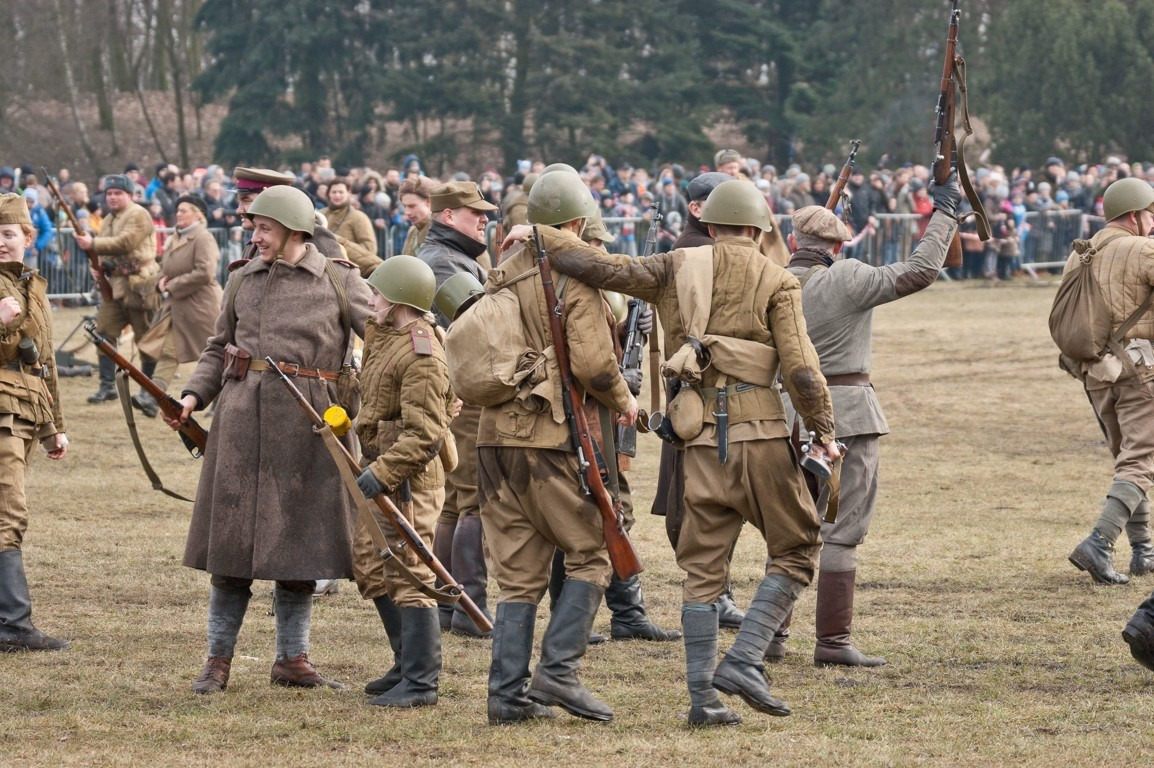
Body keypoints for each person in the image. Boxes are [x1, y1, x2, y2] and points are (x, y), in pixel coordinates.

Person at [522, 178, 839, 727]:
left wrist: (539, 231)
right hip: (759, 434)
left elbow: (603, 269)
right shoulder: (778, 279)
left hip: (695, 443)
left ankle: (703, 700)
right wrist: (823, 429)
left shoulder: (673, 266)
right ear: (760, 230)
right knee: (796, 547)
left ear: (710, 225)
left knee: (702, 573)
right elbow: (803, 371)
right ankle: (742, 661)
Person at [164, 185, 371, 694]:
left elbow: (386, 332)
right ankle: (217, 661)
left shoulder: (341, 281)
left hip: (311, 426)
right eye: (253, 228)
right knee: (230, 552)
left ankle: (292, 660)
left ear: (295, 232)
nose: (255, 237)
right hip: (240, 426)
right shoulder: (241, 280)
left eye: (265, 229)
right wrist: (193, 396)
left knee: (301, 548)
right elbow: (218, 348)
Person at [776, 177, 959, 669]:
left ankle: (771, 635)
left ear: (794, 241)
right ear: (837, 245)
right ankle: (833, 643)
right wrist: (945, 214)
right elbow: (921, 271)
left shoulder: (769, 278)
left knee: (790, 530)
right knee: (841, 530)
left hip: (783, 418)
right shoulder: (848, 275)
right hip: (846, 419)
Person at [479, 170, 637, 725]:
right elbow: (593, 364)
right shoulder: (575, 280)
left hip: (494, 439)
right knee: (592, 553)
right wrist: (624, 400)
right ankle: (560, 672)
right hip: (551, 439)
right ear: (575, 225)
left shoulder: (500, 274)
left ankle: (506, 697)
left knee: (519, 572)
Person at [352, 256, 455, 708]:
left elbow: (425, 433)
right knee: (372, 567)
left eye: (377, 293)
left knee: (411, 572)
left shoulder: (421, 353)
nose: (370, 300)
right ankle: (403, 663)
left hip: (410, 478)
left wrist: (384, 472)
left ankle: (421, 681)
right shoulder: (384, 336)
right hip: (380, 469)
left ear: (397, 300)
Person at [648, 171, 746, 630]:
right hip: (707, 391)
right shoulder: (699, 254)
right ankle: (713, 592)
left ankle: (714, 590)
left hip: (693, 390)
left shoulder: (696, 250)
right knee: (705, 493)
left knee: (696, 490)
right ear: (698, 209)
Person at [416, 181, 498, 636]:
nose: (484, 219)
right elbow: (479, 328)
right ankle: (469, 607)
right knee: (472, 500)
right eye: (475, 213)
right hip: (464, 391)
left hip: (455, 390)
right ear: (449, 217)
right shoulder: (447, 262)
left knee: (454, 502)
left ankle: (450, 606)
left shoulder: (451, 257)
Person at [1066, 177, 1154, 586]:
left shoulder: (1082, 252)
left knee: (1127, 461)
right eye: (1150, 213)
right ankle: (1099, 543)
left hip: (1097, 373)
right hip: (1141, 371)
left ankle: (1143, 551)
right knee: (1140, 461)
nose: (1152, 221)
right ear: (1134, 215)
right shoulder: (1142, 249)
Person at [0, 194, 70, 652]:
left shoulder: (33, 287)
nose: (0, 243)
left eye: (7, 234)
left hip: (27, 410)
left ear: (28, 237)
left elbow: (44, 363)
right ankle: (13, 625)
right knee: (8, 513)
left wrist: (54, 427)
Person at [74, 174, 159, 409]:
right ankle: (107, 386)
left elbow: (126, 242)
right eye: (109, 193)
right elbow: (105, 250)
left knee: (146, 339)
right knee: (103, 333)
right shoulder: (110, 218)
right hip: (115, 286)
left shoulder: (138, 214)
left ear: (129, 195)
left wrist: (93, 244)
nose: (112, 197)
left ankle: (150, 393)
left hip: (139, 285)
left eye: (117, 193)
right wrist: (97, 266)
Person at [133, 196, 223, 417]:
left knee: (218, 356)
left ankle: (220, 402)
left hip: (202, 307)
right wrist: (161, 280)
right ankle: (153, 398)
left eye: (184, 210)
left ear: (197, 214)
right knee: (168, 352)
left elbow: (205, 272)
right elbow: (165, 266)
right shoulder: (175, 237)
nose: (179, 214)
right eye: (178, 210)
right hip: (178, 307)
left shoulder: (203, 237)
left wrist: (172, 285)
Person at [320, 178, 381, 277]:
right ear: (328, 194)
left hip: (350, 273)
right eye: (334, 192)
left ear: (349, 193)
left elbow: (370, 249)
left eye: (341, 192)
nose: (337, 195)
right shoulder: (320, 215)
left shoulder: (358, 217)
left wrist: (342, 246)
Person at [399, 177, 437, 256]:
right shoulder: (413, 231)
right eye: (405, 206)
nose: (407, 212)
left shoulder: (439, 232)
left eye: (412, 206)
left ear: (429, 202)